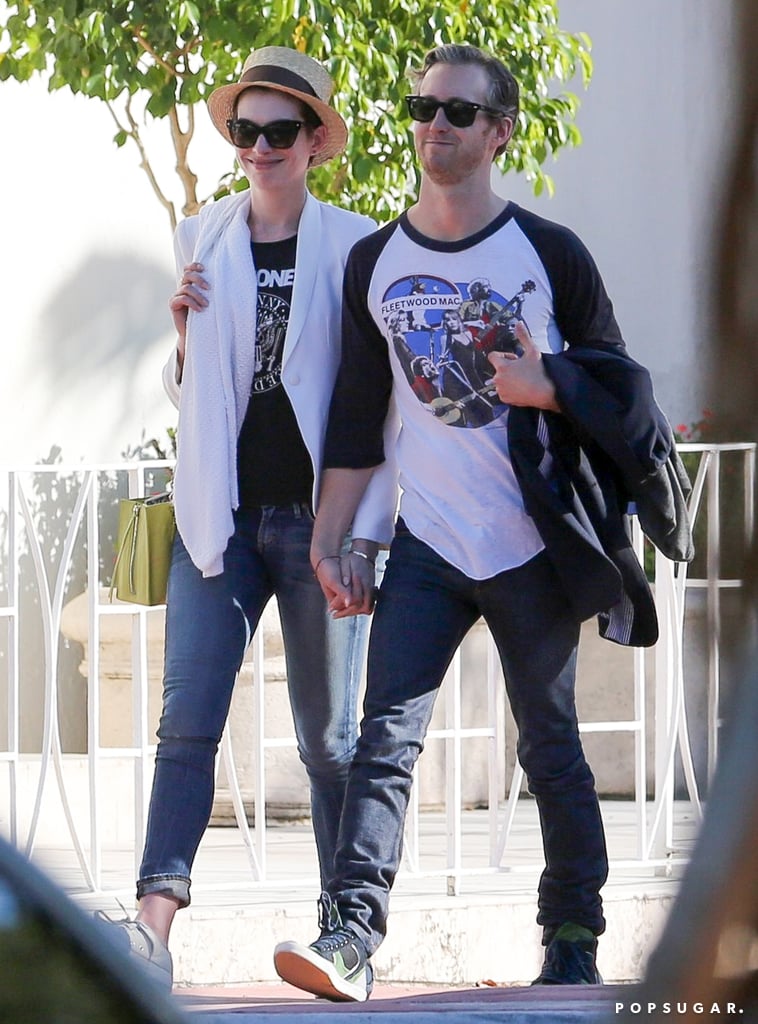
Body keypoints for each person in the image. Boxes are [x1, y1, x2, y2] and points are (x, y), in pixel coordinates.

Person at [273, 43, 691, 1001]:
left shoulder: (549, 252)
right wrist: (330, 540)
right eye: (421, 108)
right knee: (383, 739)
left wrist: (549, 384)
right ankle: (349, 937)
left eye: (458, 112)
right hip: (426, 541)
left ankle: (574, 934)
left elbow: (624, 392)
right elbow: (356, 415)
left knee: (550, 746)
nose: (434, 125)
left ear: (499, 131)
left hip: (529, 543)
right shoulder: (377, 262)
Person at [107, 46, 397, 989]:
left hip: (319, 522)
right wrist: (185, 339)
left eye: (280, 131)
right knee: (186, 720)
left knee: (328, 739)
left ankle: (342, 934)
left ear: (315, 142)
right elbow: (194, 393)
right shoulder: (205, 235)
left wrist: (360, 532)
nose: (260, 148)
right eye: (245, 131)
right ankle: (151, 925)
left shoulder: (357, 245)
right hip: (220, 521)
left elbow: (371, 399)